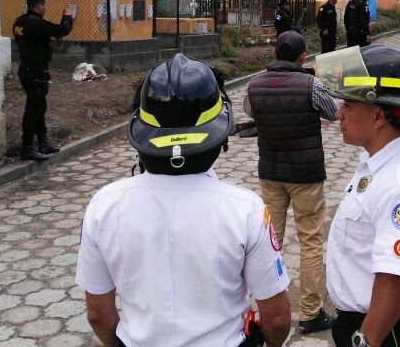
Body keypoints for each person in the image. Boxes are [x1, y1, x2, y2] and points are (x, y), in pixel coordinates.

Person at [76, 54, 292, 347]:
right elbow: (277, 319)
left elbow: (99, 315)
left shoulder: (104, 206)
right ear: (220, 135)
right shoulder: (246, 210)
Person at [317, 45, 400, 347]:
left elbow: (395, 279)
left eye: (348, 105)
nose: (338, 113)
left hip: (387, 330)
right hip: (370, 323)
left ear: (378, 116)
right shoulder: (381, 163)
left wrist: (366, 340)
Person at [244, 31, 338, 335]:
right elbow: (333, 112)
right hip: (306, 176)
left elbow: (249, 112)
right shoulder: (311, 85)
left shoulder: (254, 85)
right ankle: (311, 313)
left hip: (270, 173)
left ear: (274, 55)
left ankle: (266, 312)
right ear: (303, 57)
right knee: (311, 241)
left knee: (269, 243)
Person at [12, 0, 73, 161]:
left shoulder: (19, 22)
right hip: (36, 73)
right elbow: (62, 30)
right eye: (44, 5)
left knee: (39, 108)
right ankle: (27, 148)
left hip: (26, 70)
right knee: (33, 110)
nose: (45, 8)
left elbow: (38, 38)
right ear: (38, 5)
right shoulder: (36, 23)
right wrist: (68, 17)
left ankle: (43, 143)